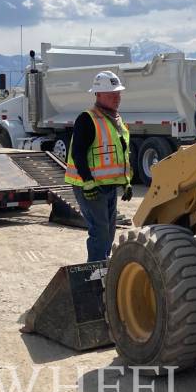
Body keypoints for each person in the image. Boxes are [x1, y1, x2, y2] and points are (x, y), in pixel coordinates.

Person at [64, 70, 134, 263]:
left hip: (108, 186)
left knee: (109, 231)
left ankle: (103, 266)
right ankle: (95, 271)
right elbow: (78, 153)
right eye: (111, 95)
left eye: (118, 94)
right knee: (100, 231)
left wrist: (126, 182)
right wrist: (87, 181)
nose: (116, 98)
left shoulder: (117, 120)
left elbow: (122, 153)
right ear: (98, 95)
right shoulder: (87, 119)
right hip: (90, 186)